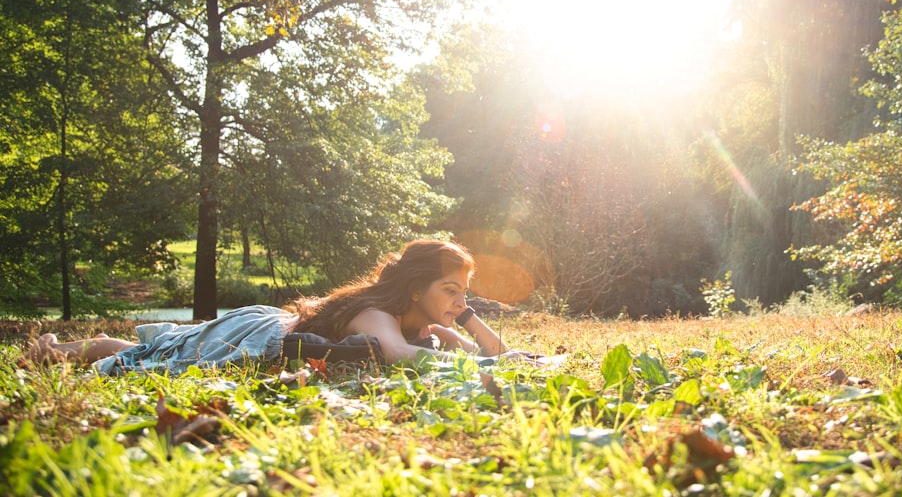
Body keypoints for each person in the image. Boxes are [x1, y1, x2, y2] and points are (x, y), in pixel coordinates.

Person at [23, 239, 528, 374]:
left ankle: (62, 347)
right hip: (257, 333)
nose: (460, 299)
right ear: (415, 289)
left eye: (464, 289)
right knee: (162, 353)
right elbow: (395, 353)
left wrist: (463, 315)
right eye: (449, 289)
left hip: (268, 329)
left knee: (161, 345)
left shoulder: (435, 321)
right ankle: (58, 349)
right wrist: (473, 359)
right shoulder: (378, 316)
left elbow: (494, 354)